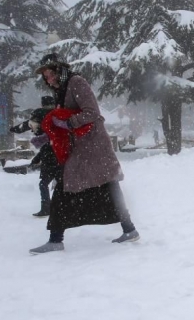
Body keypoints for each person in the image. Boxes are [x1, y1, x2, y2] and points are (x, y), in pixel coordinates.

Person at [29, 53, 139, 255]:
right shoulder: (61, 91)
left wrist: (67, 123)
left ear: (60, 70)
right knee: (105, 186)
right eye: (45, 76)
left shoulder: (76, 82)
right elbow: (62, 119)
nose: (48, 79)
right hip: (80, 148)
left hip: (92, 147)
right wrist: (47, 136)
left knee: (73, 186)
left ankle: (56, 239)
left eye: (51, 73)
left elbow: (92, 113)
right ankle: (129, 229)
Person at [10, 101, 58, 217]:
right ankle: (52, 207)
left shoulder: (48, 131)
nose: (32, 130)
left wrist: (37, 159)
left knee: (45, 184)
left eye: (33, 127)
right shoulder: (51, 127)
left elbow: (48, 149)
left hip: (53, 162)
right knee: (51, 184)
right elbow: (46, 148)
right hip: (54, 162)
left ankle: (49, 207)